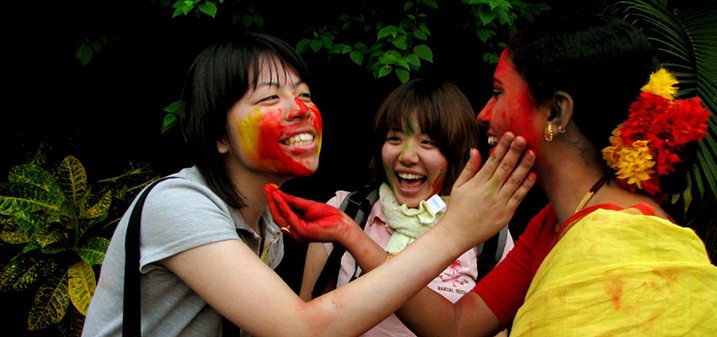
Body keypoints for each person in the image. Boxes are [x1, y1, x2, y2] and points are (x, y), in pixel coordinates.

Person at [268, 15, 717, 336]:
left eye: (499, 93)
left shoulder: (623, 245)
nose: (484, 115)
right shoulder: (553, 224)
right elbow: (456, 325)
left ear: (557, 112)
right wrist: (349, 232)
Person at [83, 32, 537, 337]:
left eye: (303, 93)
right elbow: (304, 328)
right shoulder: (178, 205)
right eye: (270, 98)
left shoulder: (270, 230)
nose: (299, 108)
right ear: (218, 135)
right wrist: (455, 232)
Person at [299, 78, 514, 336]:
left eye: (428, 143)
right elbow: (306, 324)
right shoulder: (345, 211)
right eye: (395, 138)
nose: (407, 156)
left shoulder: (488, 233)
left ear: (456, 150)